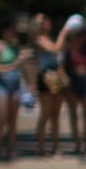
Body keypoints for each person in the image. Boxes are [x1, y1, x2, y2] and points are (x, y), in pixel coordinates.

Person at [0, 18, 24, 159]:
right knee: (2, 117)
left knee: (13, 119)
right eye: (11, 30)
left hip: (15, 84)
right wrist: (13, 65)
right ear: (4, 31)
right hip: (1, 84)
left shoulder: (15, 45)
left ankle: (11, 149)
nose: (13, 32)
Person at [31, 12, 67, 157]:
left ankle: (55, 147)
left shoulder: (48, 37)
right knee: (46, 113)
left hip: (54, 74)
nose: (45, 22)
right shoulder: (38, 38)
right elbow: (55, 48)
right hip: (46, 75)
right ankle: (41, 147)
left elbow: (56, 60)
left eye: (45, 19)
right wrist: (64, 33)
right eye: (41, 21)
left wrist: (63, 76)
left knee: (56, 114)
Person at [60, 15, 86, 155]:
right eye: (78, 34)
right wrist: (64, 80)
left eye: (82, 34)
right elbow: (61, 67)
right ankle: (77, 142)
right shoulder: (68, 49)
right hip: (72, 80)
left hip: (85, 79)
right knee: (73, 114)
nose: (80, 37)